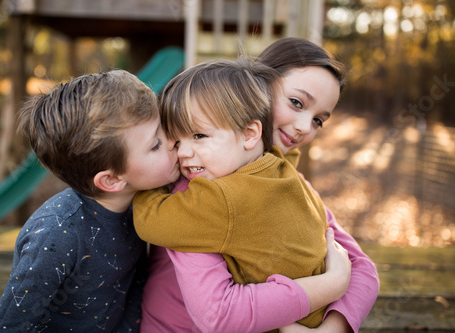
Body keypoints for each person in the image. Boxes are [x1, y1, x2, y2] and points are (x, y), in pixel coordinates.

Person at [139, 38, 379, 333]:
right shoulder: (199, 184)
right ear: (256, 90)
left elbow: (362, 268)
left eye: (318, 120)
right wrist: (329, 284)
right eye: (296, 103)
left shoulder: (284, 179)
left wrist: (333, 328)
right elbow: (220, 314)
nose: (305, 126)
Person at [0, 70, 181, 332]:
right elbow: (8, 325)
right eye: (156, 143)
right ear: (111, 181)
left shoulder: (141, 204)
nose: (173, 140)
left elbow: (135, 283)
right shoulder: (57, 233)